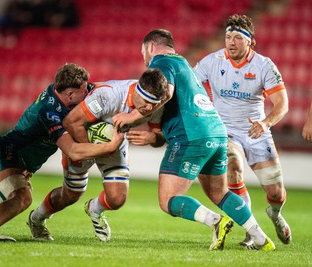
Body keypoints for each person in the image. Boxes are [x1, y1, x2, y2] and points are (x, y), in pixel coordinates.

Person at [113, 29, 275, 251]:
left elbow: (165, 93)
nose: (144, 58)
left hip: (191, 136)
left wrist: (130, 117)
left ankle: (215, 221)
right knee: (220, 193)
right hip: (217, 133)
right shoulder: (183, 63)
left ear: (150, 47)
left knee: (168, 199)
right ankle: (260, 237)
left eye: (143, 52)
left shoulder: (161, 62)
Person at [0, 63, 123, 242]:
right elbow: (72, 151)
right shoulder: (49, 112)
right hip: (8, 154)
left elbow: (97, 89)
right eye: (84, 90)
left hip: (16, 159)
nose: (88, 92)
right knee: (23, 196)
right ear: (71, 94)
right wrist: (109, 146)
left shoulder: (62, 93)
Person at [27, 69, 168, 242]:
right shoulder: (109, 96)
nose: (149, 108)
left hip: (115, 141)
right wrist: (98, 149)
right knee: (70, 195)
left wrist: (154, 137)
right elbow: (71, 122)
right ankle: (36, 218)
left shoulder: (156, 105)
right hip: (83, 140)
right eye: (146, 101)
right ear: (137, 89)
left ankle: (94, 209)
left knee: (117, 199)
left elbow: (159, 136)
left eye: (155, 104)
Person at [194, 14, 292, 246]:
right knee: (233, 166)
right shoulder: (212, 61)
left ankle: (276, 215)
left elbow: (282, 104)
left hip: (257, 133)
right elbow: (190, 87)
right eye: (228, 36)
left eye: (238, 37)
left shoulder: (264, 65)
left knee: (276, 192)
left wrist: (266, 123)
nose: (232, 42)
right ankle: (252, 231)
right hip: (226, 131)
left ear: (250, 42)